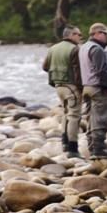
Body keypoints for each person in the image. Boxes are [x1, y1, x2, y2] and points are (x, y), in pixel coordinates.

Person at [78, 22, 107, 158]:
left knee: (91, 118)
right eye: (105, 33)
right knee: (101, 118)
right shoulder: (97, 49)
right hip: (98, 88)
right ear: (97, 34)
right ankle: (99, 149)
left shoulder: (84, 47)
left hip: (87, 87)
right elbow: (100, 70)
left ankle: (92, 147)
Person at [42, 25, 83, 158]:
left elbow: (45, 67)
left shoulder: (52, 48)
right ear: (71, 35)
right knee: (74, 116)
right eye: (79, 35)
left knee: (66, 113)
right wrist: (82, 88)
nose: (80, 37)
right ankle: (73, 148)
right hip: (71, 87)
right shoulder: (75, 49)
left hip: (58, 86)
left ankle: (64, 143)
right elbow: (78, 71)